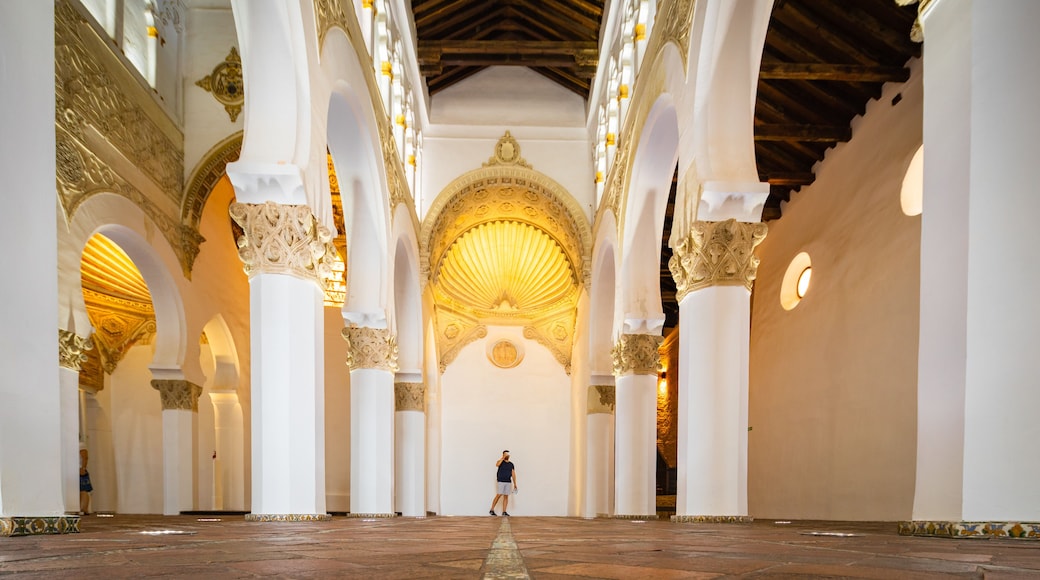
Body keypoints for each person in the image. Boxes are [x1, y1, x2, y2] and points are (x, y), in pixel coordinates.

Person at [489, 450, 517, 516]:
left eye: (507, 454)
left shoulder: (511, 464)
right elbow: (497, 464)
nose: (507, 455)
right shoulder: (500, 462)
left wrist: (515, 483)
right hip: (501, 481)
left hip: (508, 482)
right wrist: (502, 458)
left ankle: (504, 512)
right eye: (505, 454)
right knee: (499, 495)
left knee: (506, 496)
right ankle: (492, 509)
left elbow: (513, 474)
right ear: (503, 454)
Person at [79, 446, 92, 515]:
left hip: (80, 470)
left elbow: (85, 457)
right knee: (79, 491)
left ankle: (84, 509)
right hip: (75, 470)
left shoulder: (81, 445)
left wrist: (83, 468)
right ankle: (80, 508)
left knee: (83, 490)